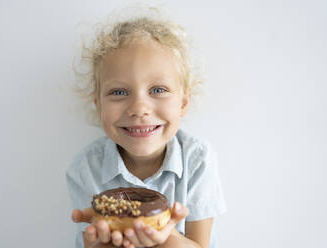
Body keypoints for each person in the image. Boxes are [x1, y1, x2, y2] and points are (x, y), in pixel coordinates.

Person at [66, 7, 227, 248]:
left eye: (158, 90)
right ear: (99, 105)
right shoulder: (85, 168)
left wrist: (165, 236)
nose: (139, 108)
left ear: (183, 103)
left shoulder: (197, 159)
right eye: (119, 92)